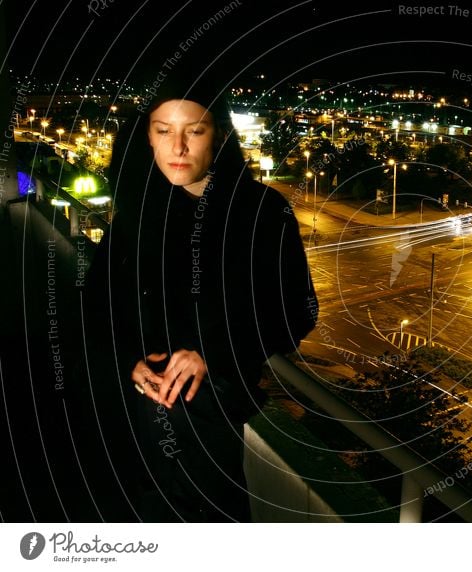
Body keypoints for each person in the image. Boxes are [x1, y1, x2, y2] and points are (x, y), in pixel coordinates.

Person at [79, 69, 317, 522]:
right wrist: (126, 357)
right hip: (135, 399)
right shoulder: (140, 210)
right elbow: (97, 302)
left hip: (206, 401)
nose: (178, 147)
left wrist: (211, 352)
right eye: (163, 131)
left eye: (195, 130)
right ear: (147, 138)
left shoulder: (261, 210)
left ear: (219, 136)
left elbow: (297, 311)